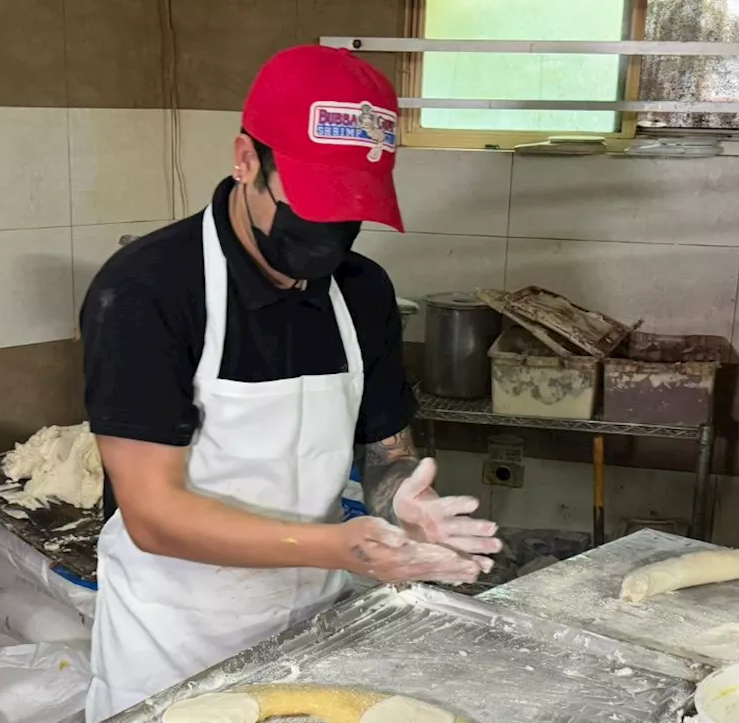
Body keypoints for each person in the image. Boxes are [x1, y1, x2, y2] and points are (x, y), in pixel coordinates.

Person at [78, 45, 502, 722]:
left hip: (310, 627)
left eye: (348, 212)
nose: (328, 240)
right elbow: (152, 515)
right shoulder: (147, 289)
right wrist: (341, 546)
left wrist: (402, 503)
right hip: (174, 641)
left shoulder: (363, 292)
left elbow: (386, 451)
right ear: (246, 160)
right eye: (311, 204)